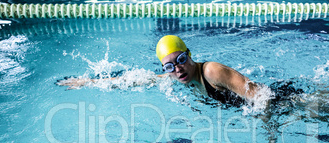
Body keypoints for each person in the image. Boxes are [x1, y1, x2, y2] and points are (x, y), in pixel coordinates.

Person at [56, 35, 262, 107]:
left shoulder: (211, 71)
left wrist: (269, 133)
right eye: (170, 66)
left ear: (189, 54)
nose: (178, 68)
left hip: (284, 102)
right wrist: (88, 82)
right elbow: (132, 80)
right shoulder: (177, 77)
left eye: (181, 59)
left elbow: (261, 97)